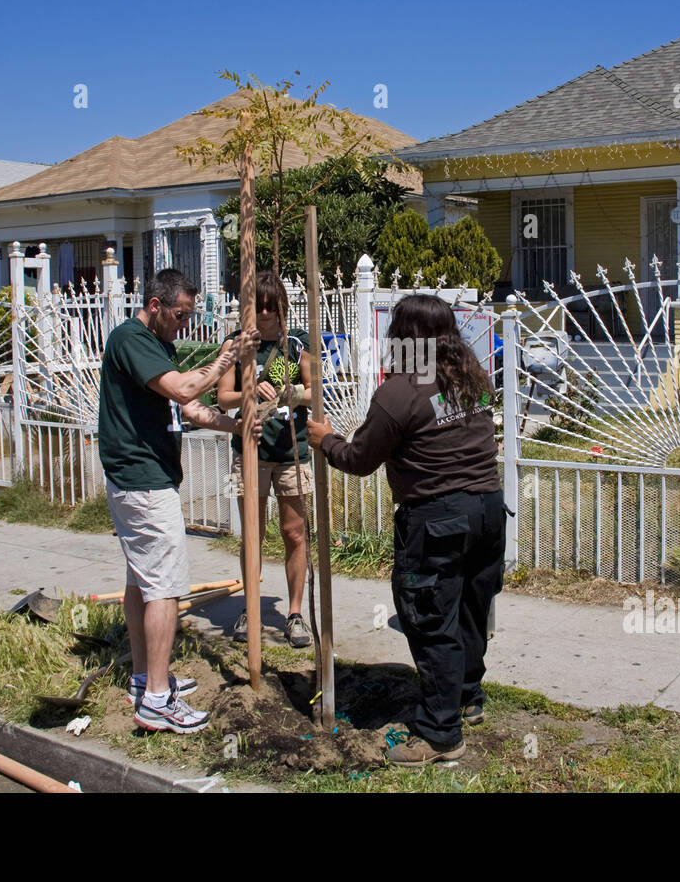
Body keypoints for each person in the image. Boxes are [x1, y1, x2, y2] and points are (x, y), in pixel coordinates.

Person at [308, 294, 505, 767]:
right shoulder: (469, 375)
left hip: (437, 519)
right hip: (488, 510)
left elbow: (360, 458)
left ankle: (440, 734)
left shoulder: (399, 391)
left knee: (432, 618)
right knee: (470, 610)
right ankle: (465, 697)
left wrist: (325, 440)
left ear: (404, 336)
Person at [99, 268, 260, 734]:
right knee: (166, 588)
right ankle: (155, 701)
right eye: (180, 315)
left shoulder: (156, 344)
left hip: (146, 478)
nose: (185, 324)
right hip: (142, 482)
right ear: (155, 305)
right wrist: (227, 354)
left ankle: (145, 678)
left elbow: (187, 407)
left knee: (142, 583)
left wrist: (236, 426)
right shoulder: (129, 339)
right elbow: (186, 388)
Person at [216, 271, 315, 648]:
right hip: (250, 451)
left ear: (282, 306)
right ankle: (251, 608)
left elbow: (315, 389)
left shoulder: (297, 344)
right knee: (253, 535)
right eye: (259, 306)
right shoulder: (236, 344)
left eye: (272, 306)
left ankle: (294, 613)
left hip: (292, 450)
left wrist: (296, 393)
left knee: (294, 533)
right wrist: (247, 392)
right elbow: (221, 397)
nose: (266, 313)